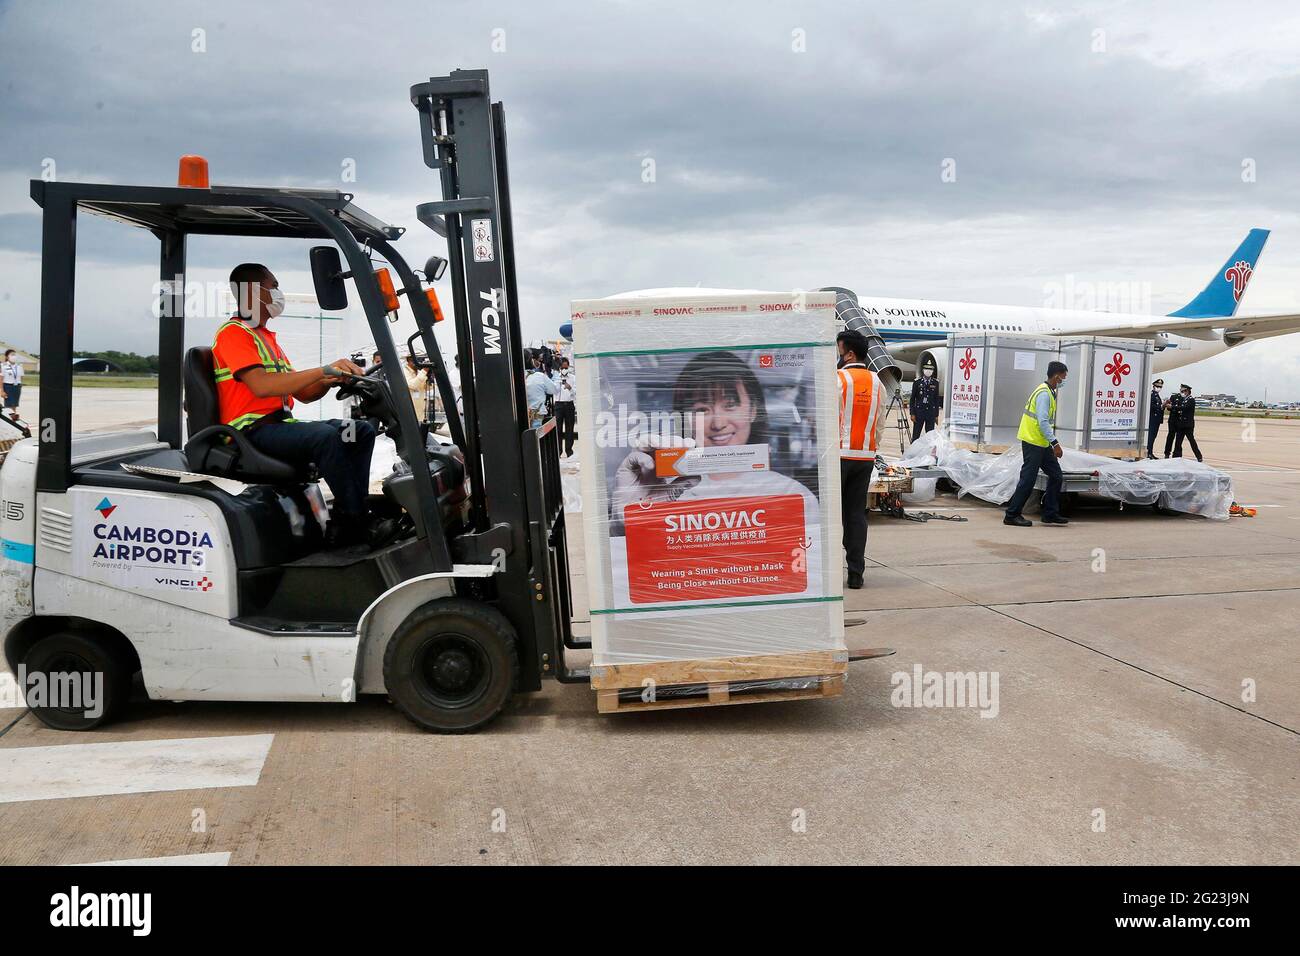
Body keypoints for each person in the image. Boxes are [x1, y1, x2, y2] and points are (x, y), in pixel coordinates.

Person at [214, 263, 375, 546]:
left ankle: (351, 514)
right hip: (250, 432)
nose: (278, 293)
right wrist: (324, 370)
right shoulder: (234, 334)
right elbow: (262, 386)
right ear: (253, 292)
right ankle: (355, 522)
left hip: (279, 426)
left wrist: (334, 380)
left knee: (359, 430)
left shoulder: (266, 338)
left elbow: (303, 393)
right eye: (273, 286)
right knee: (326, 438)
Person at [837, 330, 885, 589]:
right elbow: (880, 425)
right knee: (856, 514)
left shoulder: (839, 379)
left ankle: (831, 570)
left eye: (839, 351)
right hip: (865, 457)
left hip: (839, 456)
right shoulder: (878, 383)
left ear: (850, 353)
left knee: (833, 515)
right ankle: (856, 572)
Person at [1004, 361, 1069, 527]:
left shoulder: (1048, 391)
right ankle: (1012, 515)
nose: (1064, 380)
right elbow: (1042, 421)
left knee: (1056, 475)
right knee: (1028, 479)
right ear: (1056, 376)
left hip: (1041, 443)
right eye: (1063, 377)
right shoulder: (1044, 394)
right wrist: (1055, 443)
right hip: (1033, 442)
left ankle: (1050, 513)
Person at [1165, 383, 1203, 462]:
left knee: (1191, 441)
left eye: (1184, 391)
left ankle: (1199, 456)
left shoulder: (1191, 400)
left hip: (1188, 425)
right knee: (1178, 442)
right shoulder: (1185, 400)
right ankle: (1176, 456)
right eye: (1181, 391)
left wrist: (1173, 407)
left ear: (1188, 391)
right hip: (1181, 425)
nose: (1182, 393)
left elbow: (1184, 408)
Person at [551, 357, 577, 457]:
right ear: (560, 368)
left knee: (569, 428)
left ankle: (569, 451)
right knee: (558, 429)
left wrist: (570, 387)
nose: (564, 369)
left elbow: (576, 393)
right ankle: (559, 451)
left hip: (569, 404)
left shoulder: (573, 378)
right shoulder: (555, 377)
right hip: (558, 405)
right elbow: (552, 390)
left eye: (566, 367)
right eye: (563, 367)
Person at [909, 363, 942, 441]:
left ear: (933, 371)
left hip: (930, 413)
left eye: (930, 370)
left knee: (930, 436)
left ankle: (928, 452)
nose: (928, 371)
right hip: (919, 413)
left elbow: (936, 400)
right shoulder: (917, 382)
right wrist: (912, 413)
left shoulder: (935, 383)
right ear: (923, 370)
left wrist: (936, 415)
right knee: (916, 435)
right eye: (927, 369)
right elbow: (912, 399)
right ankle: (913, 451)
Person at [524, 352, 557, 428]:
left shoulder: (512, 377)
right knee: (536, 438)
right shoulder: (539, 376)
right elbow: (554, 390)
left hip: (517, 418)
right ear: (530, 361)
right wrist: (554, 373)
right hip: (536, 418)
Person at [1147, 377, 1165, 460]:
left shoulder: (1157, 396)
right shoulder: (1152, 395)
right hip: (1152, 419)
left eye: (1160, 387)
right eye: (1157, 386)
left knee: (1153, 436)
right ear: (1153, 386)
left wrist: (1163, 406)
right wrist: (1161, 406)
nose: (1159, 388)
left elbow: (1159, 407)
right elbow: (1151, 406)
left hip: (1156, 420)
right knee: (1151, 436)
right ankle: (1148, 453)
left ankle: (1150, 452)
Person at [1, 349, 23, 416]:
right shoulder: (3, 365)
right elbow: (1, 379)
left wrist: (20, 385)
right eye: (12, 355)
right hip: (8, 387)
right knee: (8, 406)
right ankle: (10, 420)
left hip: (17, 387)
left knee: (14, 405)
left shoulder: (19, 366)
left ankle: (13, 419)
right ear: (7, 357)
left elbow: (21, 377)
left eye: (15, 354)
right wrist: (2, 391)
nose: (14, 356)